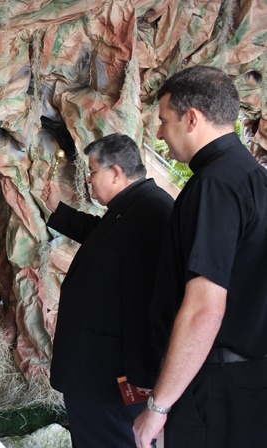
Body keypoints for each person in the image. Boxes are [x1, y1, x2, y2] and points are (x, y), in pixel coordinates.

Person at [133, 66, 267, 448]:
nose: (159, 133)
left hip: (217, 388)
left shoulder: (214, 185)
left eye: (164, 121)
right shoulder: (255, 178)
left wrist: (158, 408)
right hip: (251, 384)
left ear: (192, 118)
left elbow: (204, 309)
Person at [41, 134, 173, 447]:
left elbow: (150, 306)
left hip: (114, 378)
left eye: (92, 172)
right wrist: (59, 209)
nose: (88, 180)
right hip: (97, 372)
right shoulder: (130, 207)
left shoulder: (152, 212)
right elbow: (99, 234)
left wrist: (140, 382)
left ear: (115, 172)